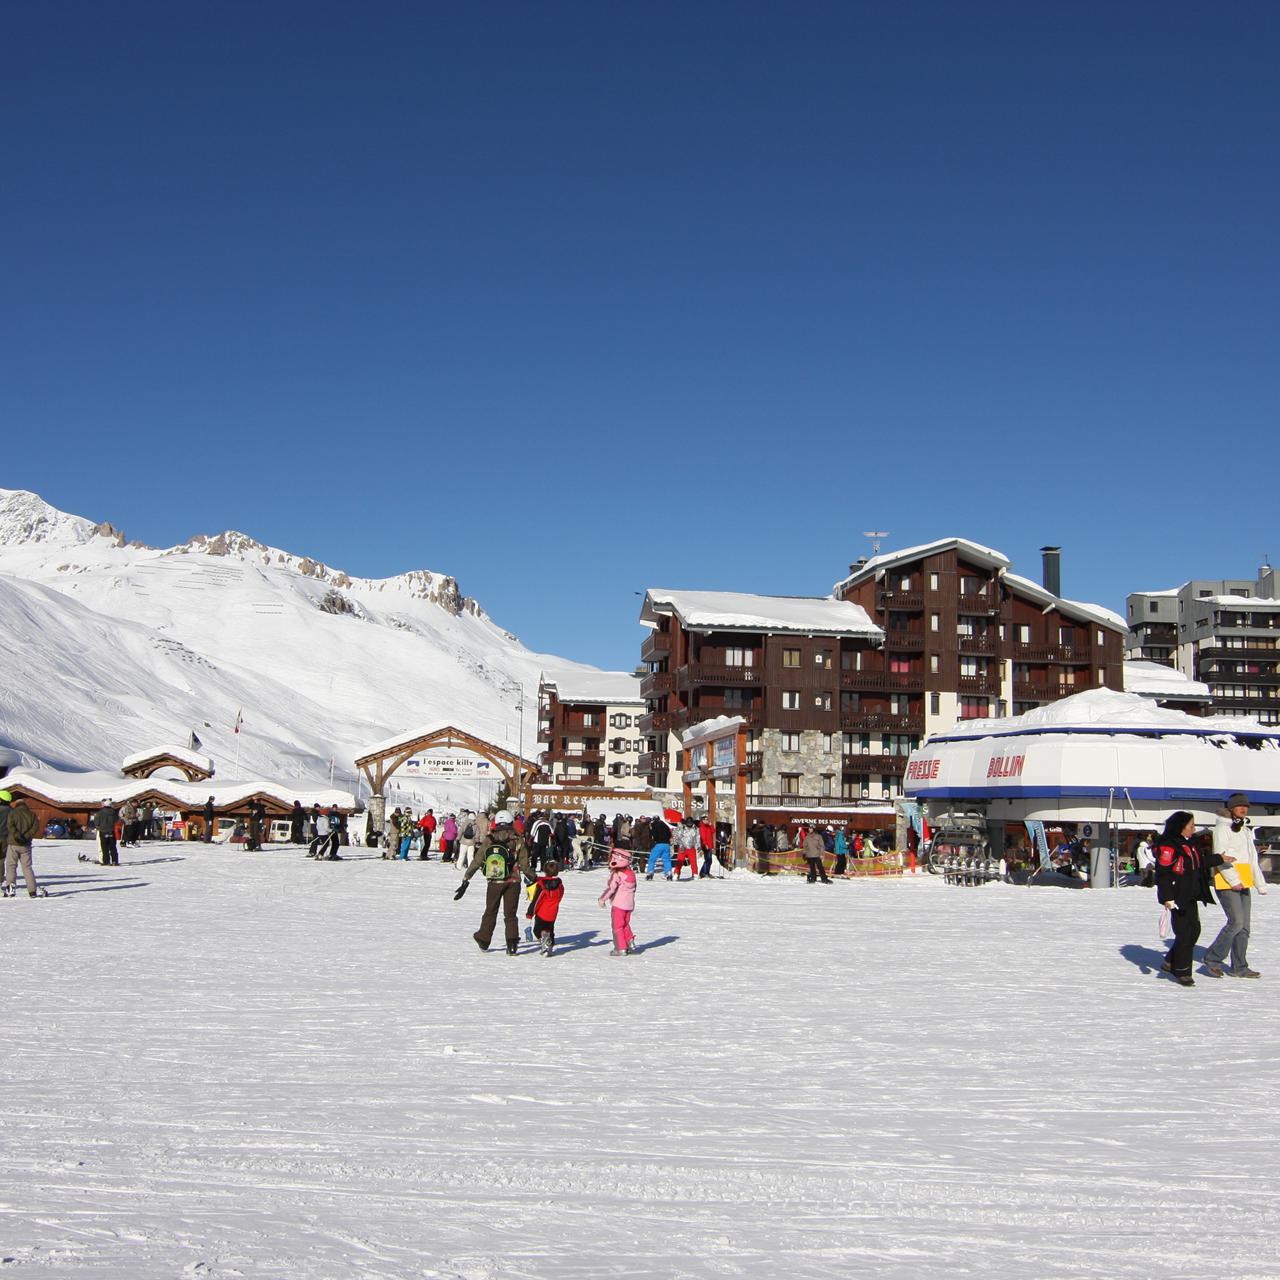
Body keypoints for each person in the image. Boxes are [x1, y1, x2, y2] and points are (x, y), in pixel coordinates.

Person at [1156, 811, 1234, 987]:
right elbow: (1163, 874)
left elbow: (1199, 863)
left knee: (1194, 930)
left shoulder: (1191, 843)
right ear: (1181, 827)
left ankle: (1170, 960)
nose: (1194, 828)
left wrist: (1219, 858)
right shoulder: (1169, 846)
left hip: (1191, 894)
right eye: (1191, 825)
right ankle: (1183, 972)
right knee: (1184, 933)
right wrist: (1167, 897)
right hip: (1177, 896)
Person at [1203, 793, 1268, 979]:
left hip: (1244, 881)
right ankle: (1212, 958)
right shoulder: (1222, 828)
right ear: (1231, 808)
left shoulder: (1245, 829)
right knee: (1236, 922)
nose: (1243, 809)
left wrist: (1260, 884)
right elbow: (1220, 857)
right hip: (1227, 882)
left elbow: (1252, 860)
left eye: (1245, 806)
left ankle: (1239, 966)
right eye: (1239, 806)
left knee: (1244, 927)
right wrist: (1233, 880)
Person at [455, 809, 531, 955]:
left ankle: (483, 940)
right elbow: (525, 864)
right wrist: (534, 879)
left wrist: (467, 877)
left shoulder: (490, 839)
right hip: (513, 881)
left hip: (494, 881)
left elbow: (477, 860)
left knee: (490, 911)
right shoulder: (518, 839)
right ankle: (512, 944)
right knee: (510, 914)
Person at [1, 791, 44, 898]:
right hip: (26, 845)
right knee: (27, 868)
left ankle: (10, 890)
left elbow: (10, 826)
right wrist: (26, 836)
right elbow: (35, 827)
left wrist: (17, 836)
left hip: (13, 843)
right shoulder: (32, 814)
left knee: (11, 867)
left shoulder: (13, 813)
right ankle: (32, 891)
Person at [598, 847, 638, 956]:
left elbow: (611, 888)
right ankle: (630, 941)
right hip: (629, 904)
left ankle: (620, 948)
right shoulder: (631, 874)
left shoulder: (617, 874)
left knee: (617, 926)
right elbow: (634, 888)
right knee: (625, 924)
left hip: (618, 904)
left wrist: (602, 899)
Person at [526, 858, 565, 956]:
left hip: (542, 913)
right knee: (550, 929)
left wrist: (530, 913)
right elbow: (560, 895)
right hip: (553, 913)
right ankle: (549, 946)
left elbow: (536, 900)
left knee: (537, 930)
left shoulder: (542, 885)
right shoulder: (559, 885)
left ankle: (544, 939)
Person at [645, 814, 673, 880]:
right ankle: (668, 873)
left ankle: (650, 873)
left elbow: (653, 835)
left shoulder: (653, 825)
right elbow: (669, 834)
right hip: (666, 844)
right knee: (666, 860)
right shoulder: (665, 825)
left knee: (652, 859)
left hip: (658, 844)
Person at [93, 799, 120, 865]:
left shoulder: (100, 812)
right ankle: (114, 861)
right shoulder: (114, 812)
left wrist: (98, 827)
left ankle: (106, 861)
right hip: (111, 831)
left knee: (104, 847)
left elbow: (96, 821)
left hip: (103, 831)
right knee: (113, 847)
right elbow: (117, 820)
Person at [697, 815, 716, 879]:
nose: (707, 820)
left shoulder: (708, 826)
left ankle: (706, 872)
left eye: (707, 819)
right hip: (705, 845)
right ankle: (703, 873)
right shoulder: (702, 827)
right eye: (705, 819)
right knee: (707, 859)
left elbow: (713, 831)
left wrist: (711, 825)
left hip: (710, 845)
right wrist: (705, 844)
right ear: (702, 820)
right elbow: (703, 837)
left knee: (710, 860)